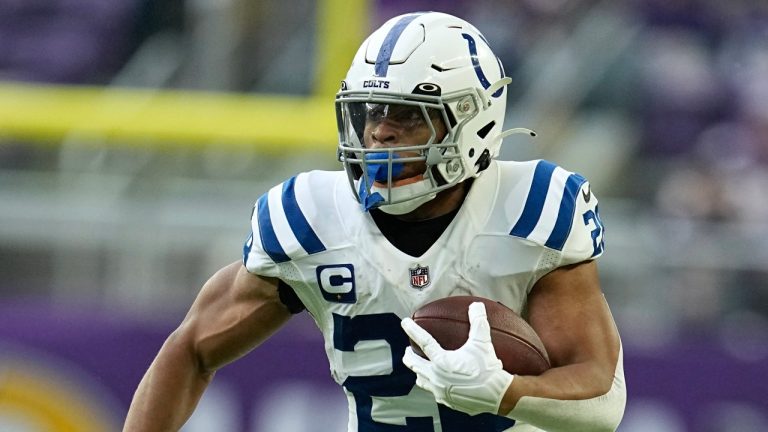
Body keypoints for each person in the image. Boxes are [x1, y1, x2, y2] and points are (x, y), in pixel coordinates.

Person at [123, 11, 626, 432]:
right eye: (369, 112)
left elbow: (601, 403)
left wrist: (506, 392)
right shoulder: (311, 218)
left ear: (475, 120)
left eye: (407, 116)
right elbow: (190, 350)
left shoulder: (531, 207)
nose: (380, 132)